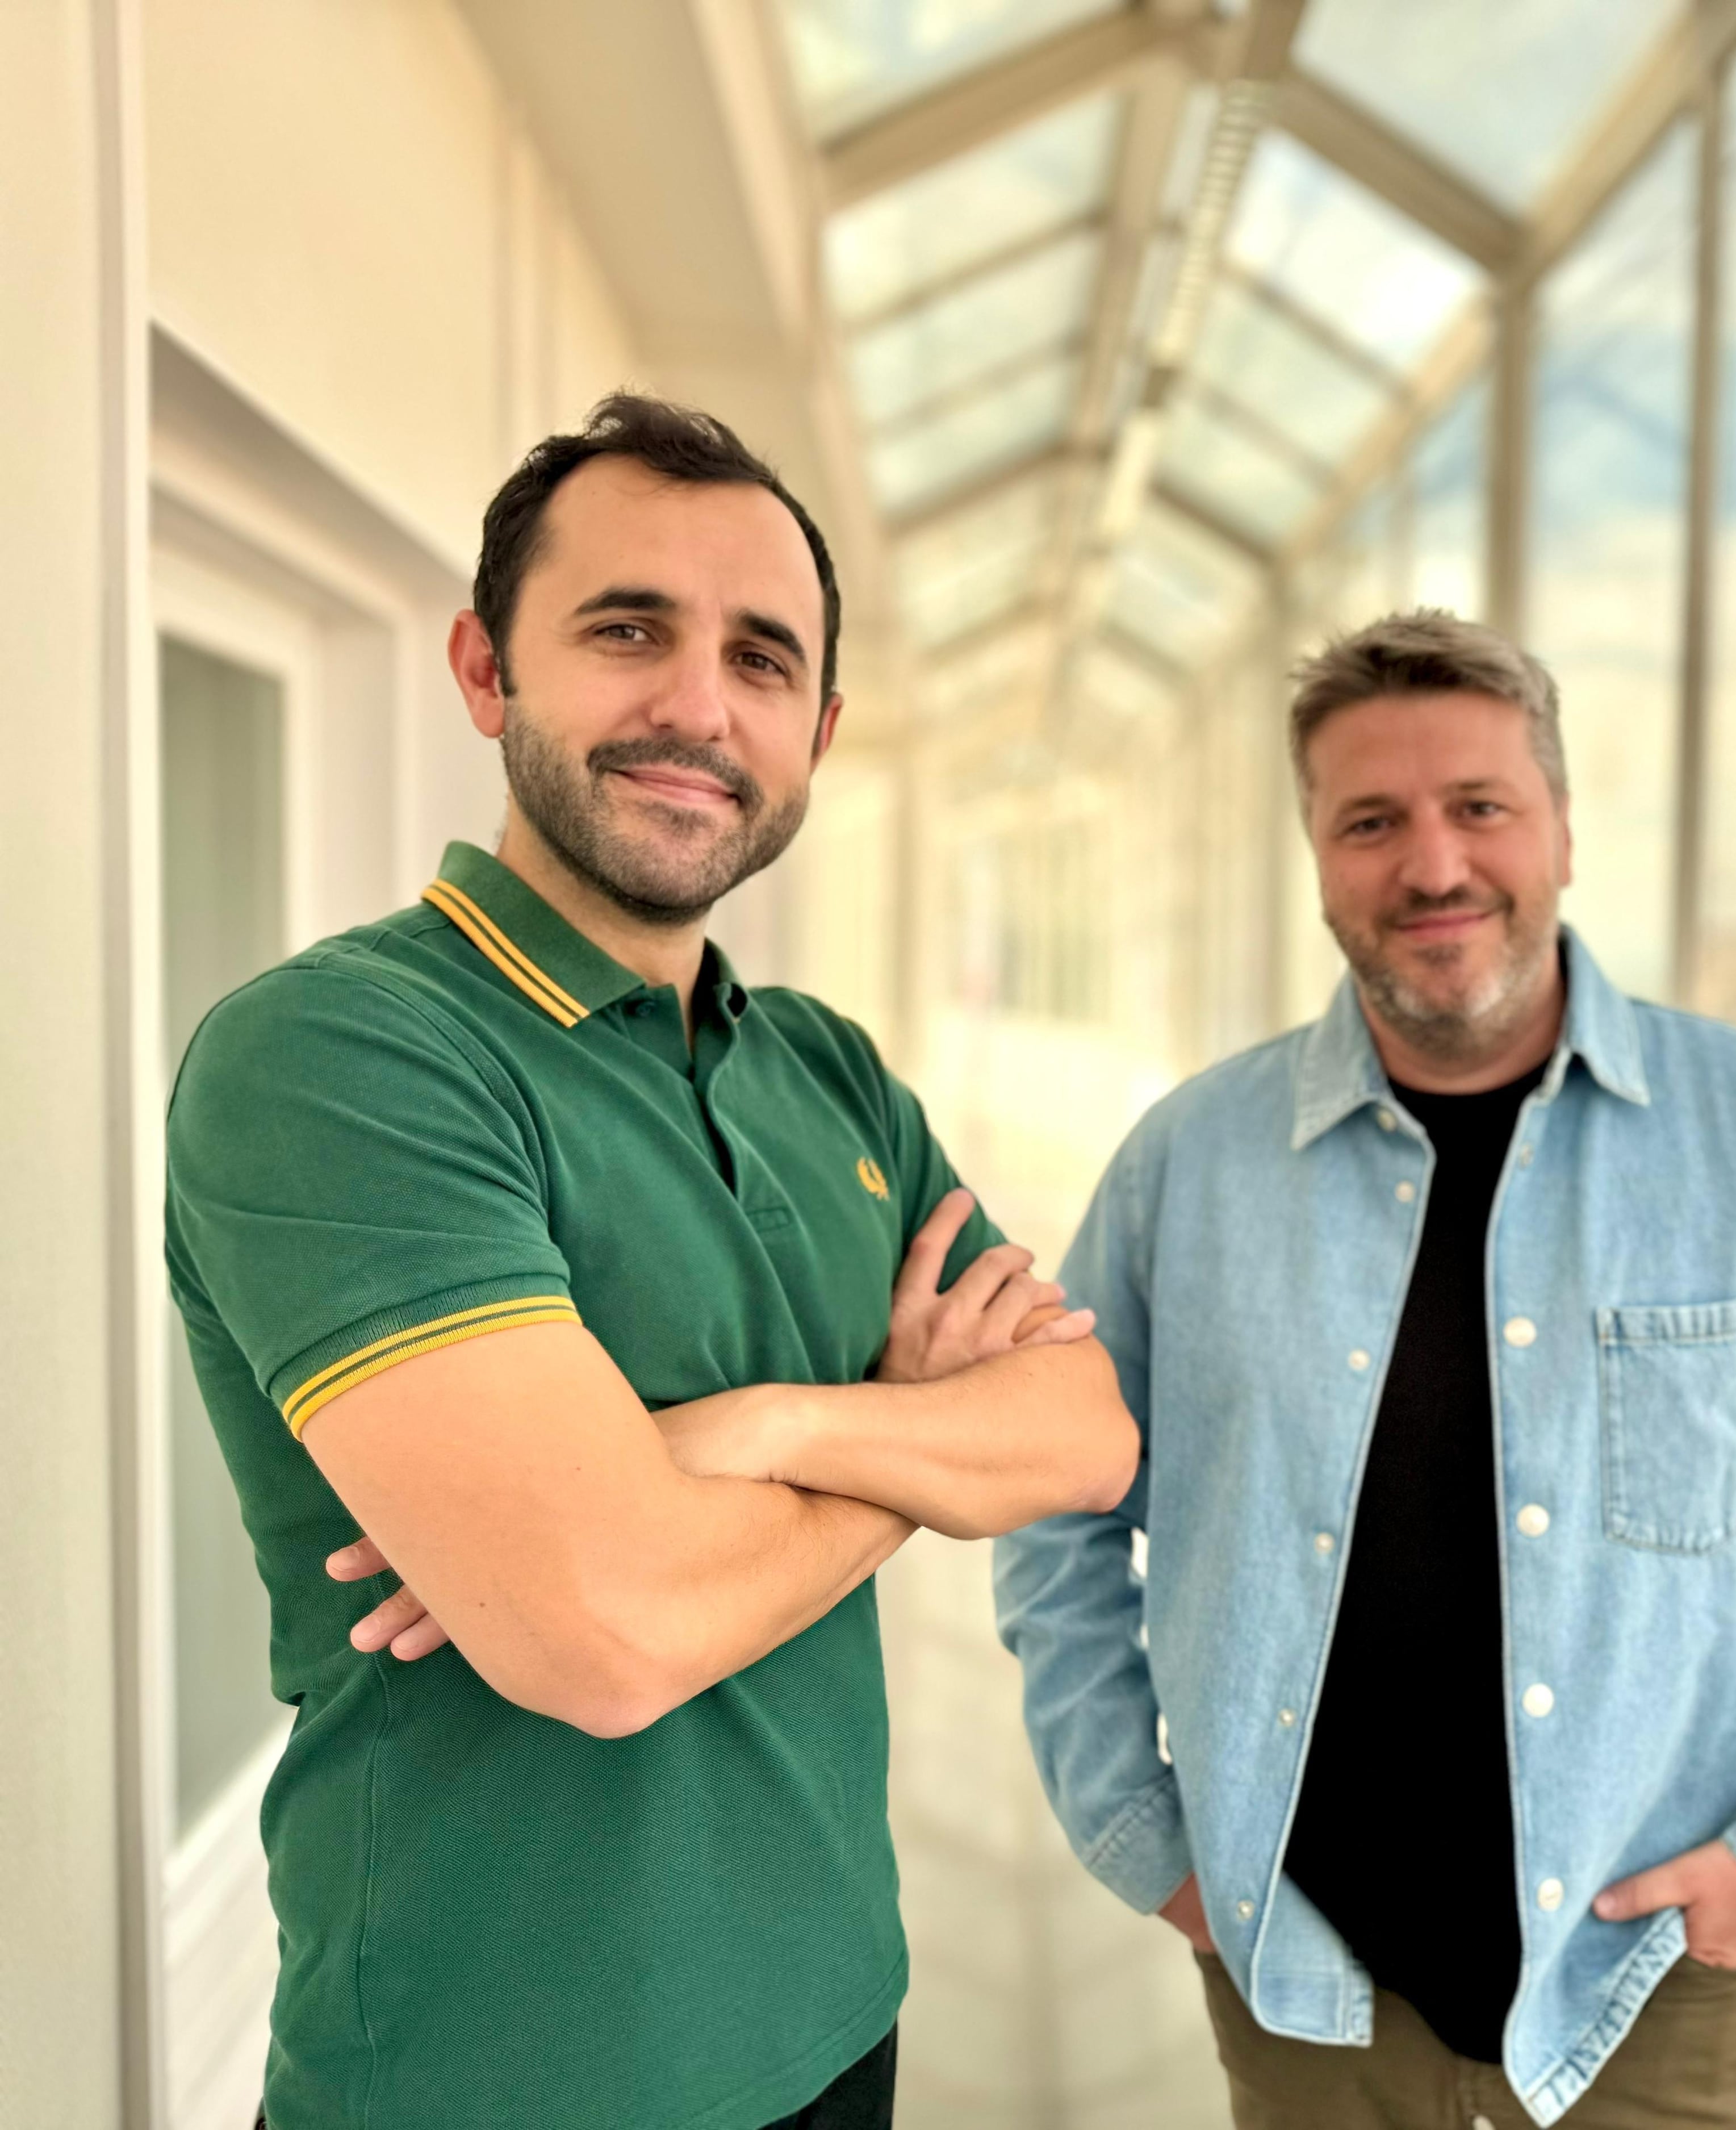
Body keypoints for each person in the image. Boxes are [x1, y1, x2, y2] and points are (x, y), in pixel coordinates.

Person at [165, 394, 1137, 2130]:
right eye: (628, 631)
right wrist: (910, 1445)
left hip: (841, 2011)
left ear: (818, 732)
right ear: (486, 670)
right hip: (497, 2079)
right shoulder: (346, 1055)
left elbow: (1083, 1435)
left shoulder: (823, 1066)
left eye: (763, 661)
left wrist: (757, 1428)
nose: (701, 706)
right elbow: (610, 1635)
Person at [994, 609, 1736, 2127]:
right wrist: (1140, 1829)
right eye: (1371, 821)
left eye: (1482, 809)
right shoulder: (1188, 1165)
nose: (1434, 867)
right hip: (1306, 1983)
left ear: (1563, 831)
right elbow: (1048, 1504)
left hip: (1655, 1981)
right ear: (1318, 858)